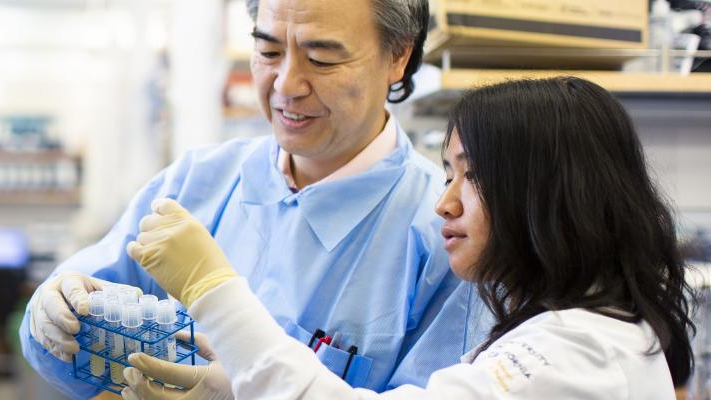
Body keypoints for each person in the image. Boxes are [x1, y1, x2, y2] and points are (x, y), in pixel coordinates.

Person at [19, 0, 489, 398]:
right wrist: (55, 315)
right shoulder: (197, 182)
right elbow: (75, 332)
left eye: (321, 58)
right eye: (268, 51)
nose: (286, 85)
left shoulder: (449, 235)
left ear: (398, 56)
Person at [127, 77, 696, 399]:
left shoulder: (574, 355)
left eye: (474, 176)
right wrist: (240, 387)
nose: (444, 202)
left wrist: (214, 290)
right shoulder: (580, 334)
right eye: (448, 174)